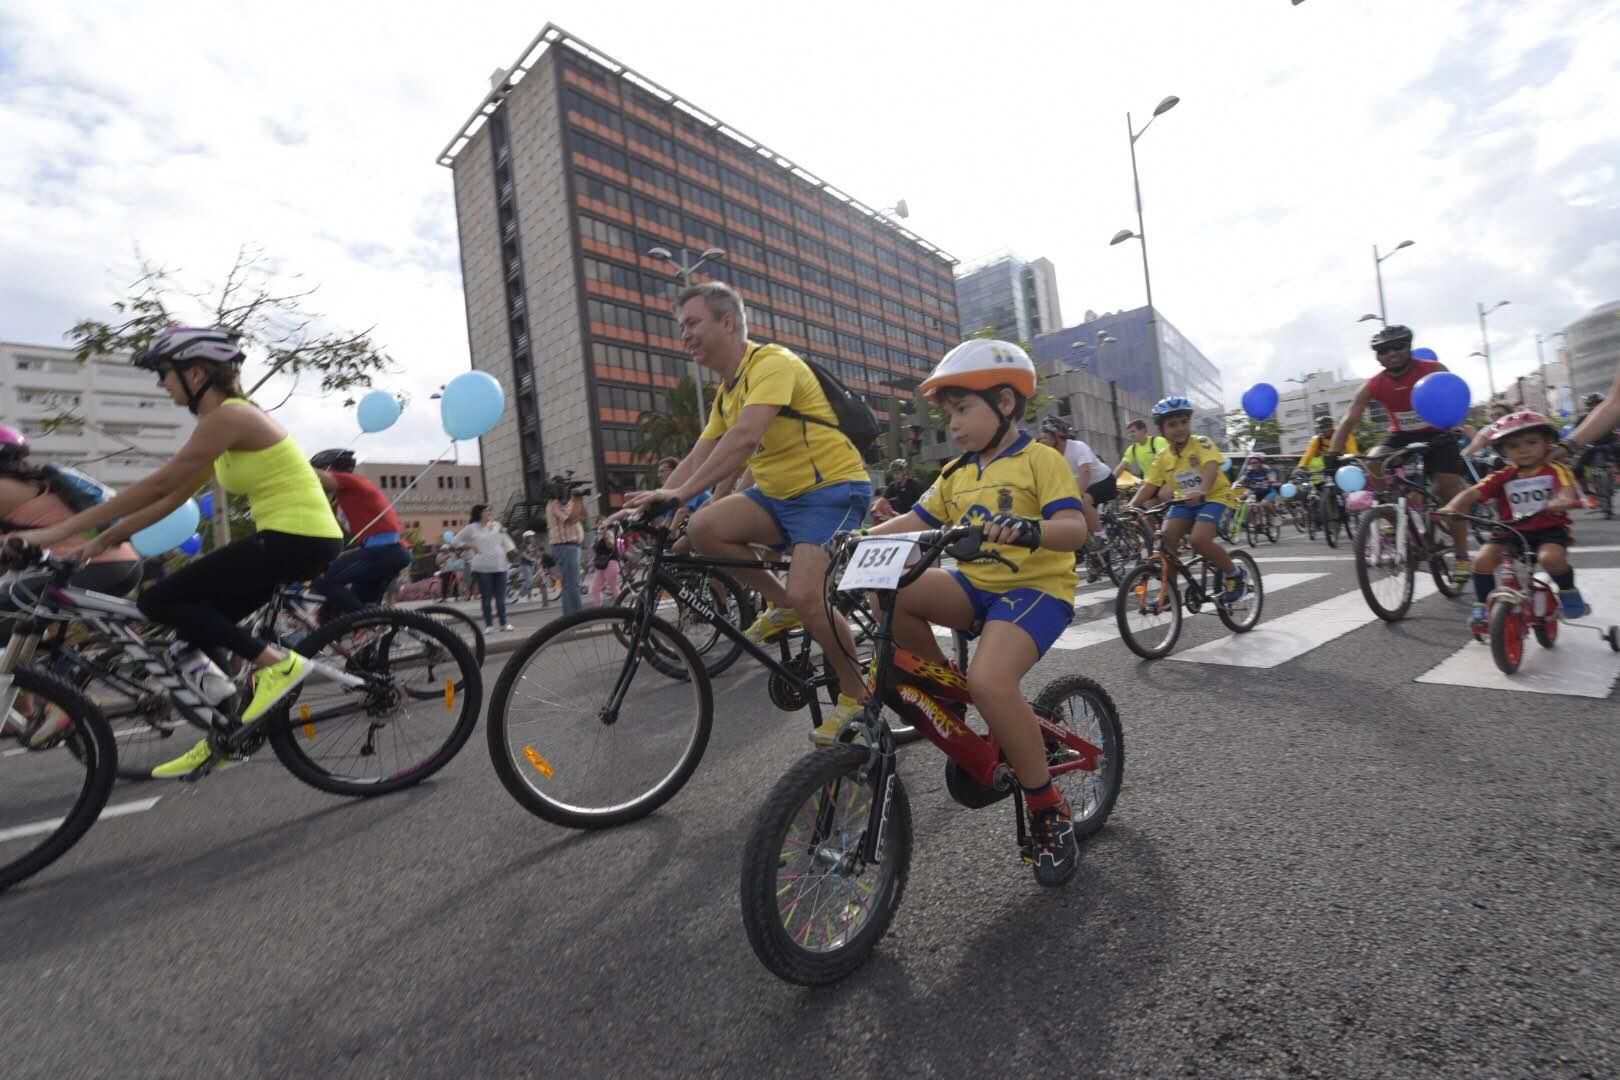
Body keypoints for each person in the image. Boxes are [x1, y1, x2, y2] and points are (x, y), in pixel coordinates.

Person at [4, 326, 343, 778]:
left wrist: (60, 532)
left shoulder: (231, 417)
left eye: (164, 374)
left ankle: (277, 665)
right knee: (191, 633)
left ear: (196, 372)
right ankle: (228, 733)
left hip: (296, 537)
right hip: (291, 539)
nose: (162, 385)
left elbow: (159, 483)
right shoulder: (220, 425)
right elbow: (169, 500)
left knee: (159, 600)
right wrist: (102, 540)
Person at [864, 337, 1089, 885]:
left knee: (991, 680)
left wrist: (1031, 529)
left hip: (1036, 591)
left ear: (1005, 404)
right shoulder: (956, 473)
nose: (954, 424)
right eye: (948, 413)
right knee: (884, 582)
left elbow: (1077, 528)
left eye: (962, 409)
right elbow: (912, 522)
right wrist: (851, 539)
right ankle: (948, 702)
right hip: (974, 586)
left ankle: (1048, 807)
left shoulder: (1040, 461)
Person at [622, 281, 872, 732]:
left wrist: (678, 495)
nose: (684, 334)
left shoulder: (772, 362)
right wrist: (648, 507)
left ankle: (857, 692)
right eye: (681, 326)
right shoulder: (725, 391)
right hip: (777, 497)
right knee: (704, 528)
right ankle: (786, 606)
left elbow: (745, 438)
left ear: (728, 322)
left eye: (692, 322)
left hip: (832, 490)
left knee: (807, 593)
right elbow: (698, 457)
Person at [0, 426, 145, 744]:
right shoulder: (35, 483)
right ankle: (38, 703)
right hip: (119, 564)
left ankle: (50, 704)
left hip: (99, 567)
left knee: (8, 608)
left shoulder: (3, 489)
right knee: (17, 620)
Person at [1330, 324, 1471, 583]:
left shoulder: (1433, 370)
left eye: (1398, 347)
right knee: (1374, 460)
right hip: (1403, 434)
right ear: (1377, 356)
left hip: (1439, 432)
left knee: (1449, 489)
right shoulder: (1374, 384)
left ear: (1409, 347)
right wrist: (1333, 454)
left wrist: (1455, 428)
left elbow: (1455, 398)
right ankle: (1392, 512)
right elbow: (1350, 419)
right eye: (1383, 350)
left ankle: (1462, 556)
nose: (1391, 353)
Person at [1439, 411, 1586, 631]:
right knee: (1482, 561)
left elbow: (1567, 491)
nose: (1524, 449)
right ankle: (1482, 605)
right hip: (1511, 529)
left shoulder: (1556, 469)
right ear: (1503, 451)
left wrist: (1564, 500)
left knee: (1550, 558)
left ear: (1548, 443)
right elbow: (1472, 493)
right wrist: (1452, 506)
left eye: (1532, 442)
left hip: (1549, 528)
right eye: (1514, 446)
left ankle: (1568, 591)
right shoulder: (1503, 475)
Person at [1129, 396, 1247, 601]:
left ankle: (1235, 575)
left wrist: (1202, 490)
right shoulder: (1162, 456)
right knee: (1166, 543)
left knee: (1199, 541)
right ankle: (1170, 594)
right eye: (1172, 424)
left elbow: (1210, 467)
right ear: (1162, 429)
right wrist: (1132, 505)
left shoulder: (1201, 443)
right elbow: (1150, 485)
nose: (1180, 428)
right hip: (1183, 502)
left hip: (1214, 497)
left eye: (1184, 422)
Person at [306, 449, 413, 618]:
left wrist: (293, 463)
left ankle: (365, 621)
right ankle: (365, 634)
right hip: (386, 552)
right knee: (346, 605)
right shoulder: (344, 498)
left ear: (328, 469)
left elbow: (320, 478)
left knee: (324, 582)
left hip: (385, 551)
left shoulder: (353, 481)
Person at [455, 504, 516, 631]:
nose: (489, 512)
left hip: (500, 565)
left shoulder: (497, 525)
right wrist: (469, 546)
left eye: (490, 510)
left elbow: (506, 541)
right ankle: (489, 625)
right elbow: (455, 541)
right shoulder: (471, 528)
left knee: (501, 598)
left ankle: (504, 624)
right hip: (482, 568)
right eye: (486, 510)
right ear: (479, 513)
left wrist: (513, 550)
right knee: (486, 598)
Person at [546, 479, 586, 615]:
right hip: (564, 547)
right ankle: (574, 618)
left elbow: (583, 515)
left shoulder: (568, 503)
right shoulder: (554, 505)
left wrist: (579, 501)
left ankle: (574, 617)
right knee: (570, 584)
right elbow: (571, 520)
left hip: (572, 547)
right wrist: (577, 500)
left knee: (572, 583)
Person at [1297, 414, 1360, 480]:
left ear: (1332, 427)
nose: (1323, 430)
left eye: (1326, 427)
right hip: (1330, 469)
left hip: (1347, 466)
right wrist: (1301, 467)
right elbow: (1308, 453)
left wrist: (1351, 457)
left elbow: (1353, 451)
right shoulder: (1317, 439)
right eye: (1321, 428)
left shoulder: (1344, 435)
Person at [1114, 417, 1168, 481]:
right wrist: (1110, 481)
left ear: (1143, 430)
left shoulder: (1158, 441)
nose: (1130, 435)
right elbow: (1121, 466)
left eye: (1133, 432)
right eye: (1129, 433)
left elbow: (1161, 461)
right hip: (1149, 482)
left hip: (1166, 479)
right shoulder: (1132, 449)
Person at [1234, 453, 1279, 528]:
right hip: (1256, 490)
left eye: (1255, 462)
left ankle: (1275, 516)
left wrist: (1270, 481)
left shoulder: (1266, 469)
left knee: (1264, 503)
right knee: (1243, 499)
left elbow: (1272, 479)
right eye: (1251, 462)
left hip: (1269, 491)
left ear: (1261, 462)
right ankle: (1249, 520)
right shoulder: (1250, 470)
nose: (1252, 464)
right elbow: (1243, 478)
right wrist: (1236, 483)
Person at [588, 520, 623, 607]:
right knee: (595, 588)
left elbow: (611, 545)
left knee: (614, 587)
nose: (599, 527)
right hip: (601, 565)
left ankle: (621, 607)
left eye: (601, 525)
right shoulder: (597, 537)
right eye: (598, 525)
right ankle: (598, 608)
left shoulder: (609, 533)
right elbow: (597, 551)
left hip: (611, 563)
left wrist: (605, 535)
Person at [517, 529, 542, 599]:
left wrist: (539, 559)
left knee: (530, 580)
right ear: (526, 538)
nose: (532, 538)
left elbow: (537, 554)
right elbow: (524, 554)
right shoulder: (524, 545)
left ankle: (526, 594)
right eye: (530, 537)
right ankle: (521, 593)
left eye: (533, 537)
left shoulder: (534, 546)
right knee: (530, 580)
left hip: (531, 565)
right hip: (525, 564)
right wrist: (530, 558)